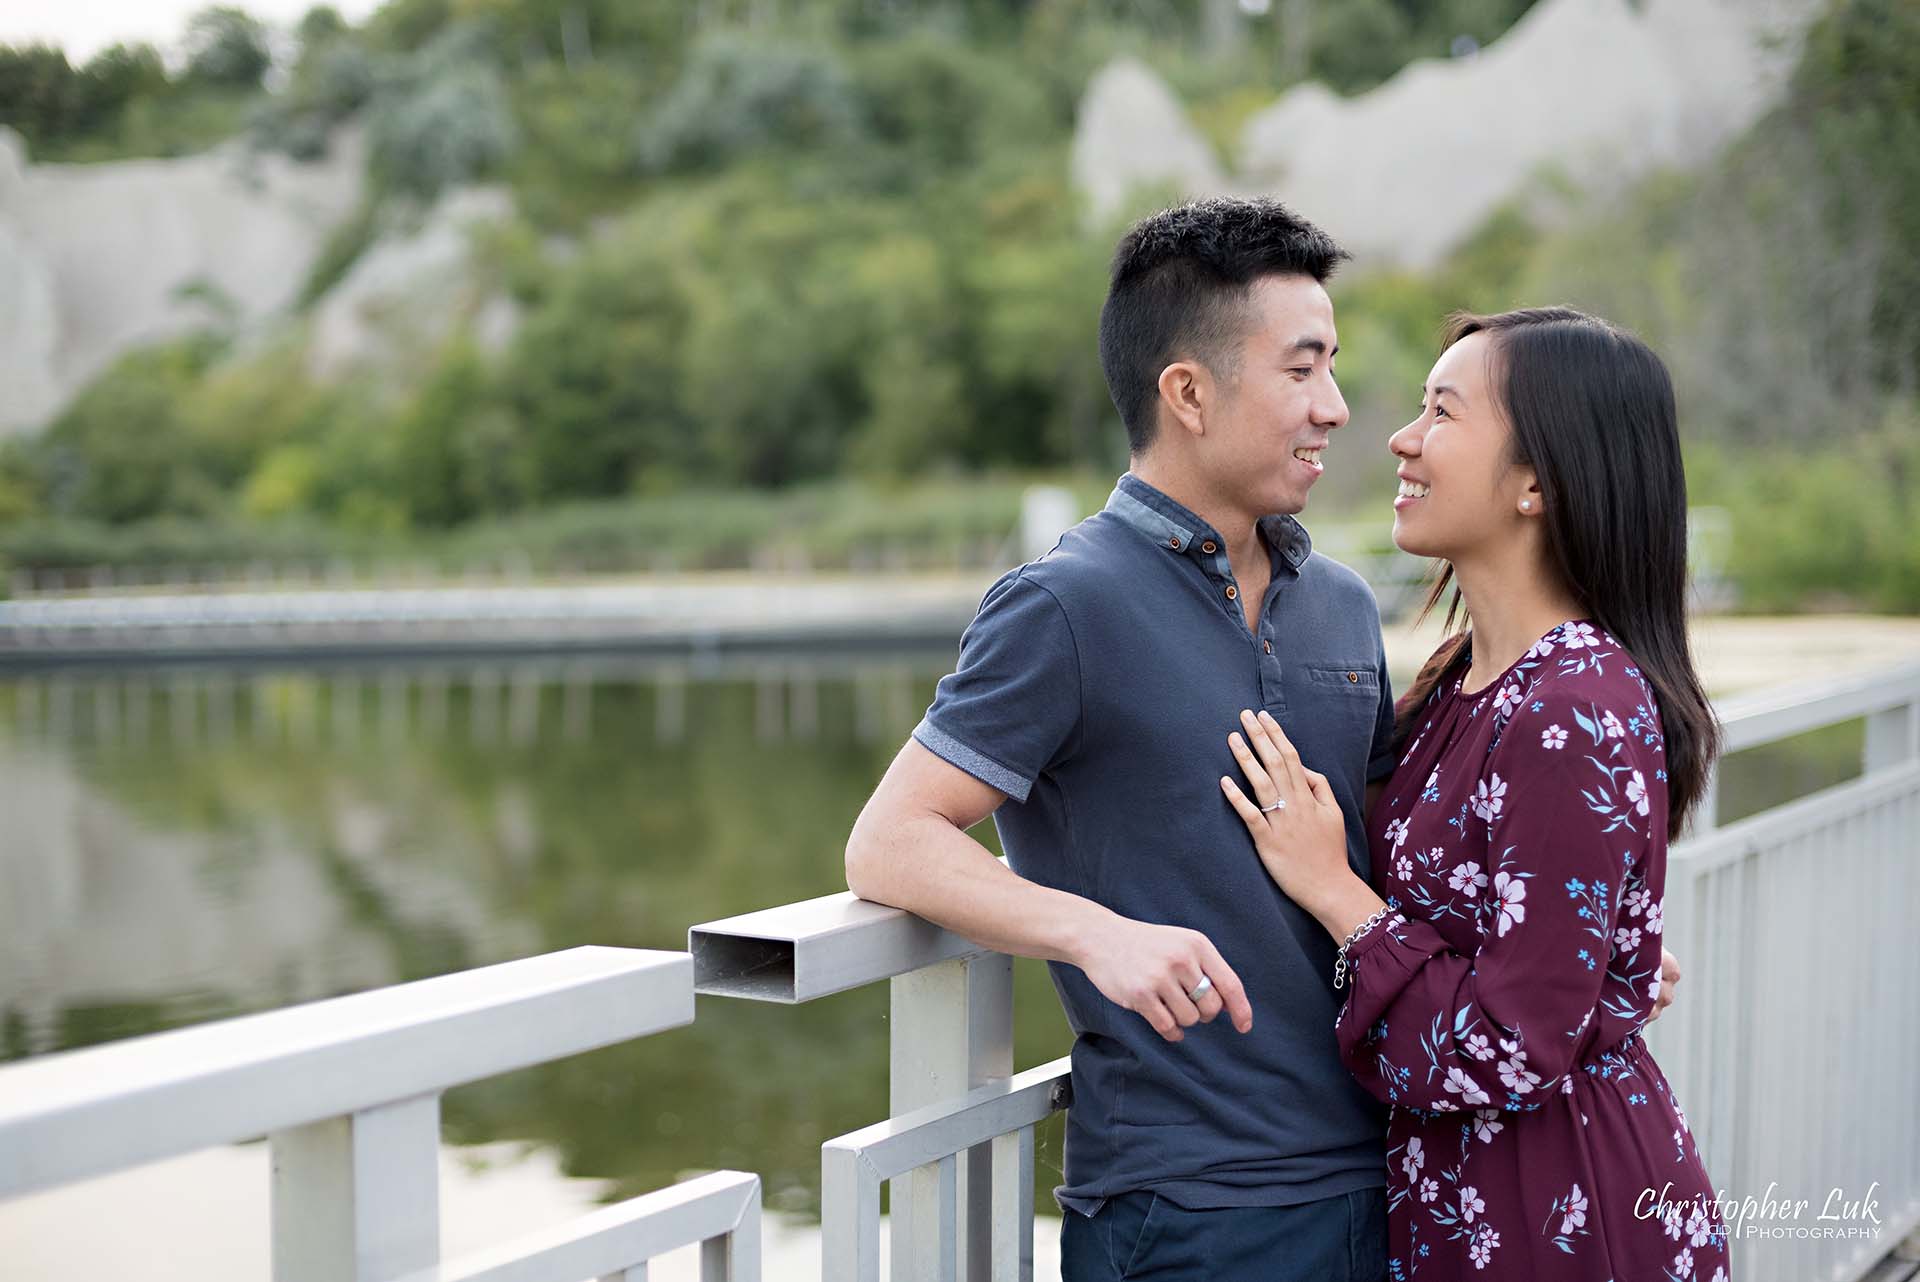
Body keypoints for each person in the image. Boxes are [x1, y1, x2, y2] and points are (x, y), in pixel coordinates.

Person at [1218, 307, 1729, 1280]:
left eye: (1442, 412)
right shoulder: (1464, 682)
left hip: (1563, 1220)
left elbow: (1509, 1045)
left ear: (1538, 480)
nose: (1403, 438)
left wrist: (1335, 890)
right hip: (1469, 1205)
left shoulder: (1573, 703)